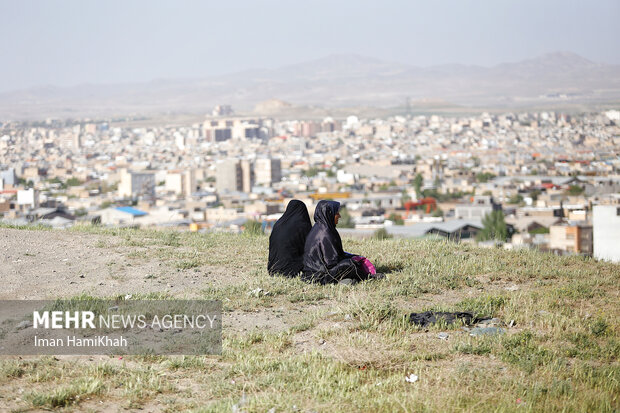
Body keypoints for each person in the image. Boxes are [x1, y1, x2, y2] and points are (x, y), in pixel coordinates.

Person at [302, 200, 383, 284]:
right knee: (349, 265)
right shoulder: (325, 233)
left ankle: (347, 280)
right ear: (329, 214)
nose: (339, 216)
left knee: (351, 260)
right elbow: (331, 262)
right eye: (337, 213)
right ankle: (368, 278)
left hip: (313, 273)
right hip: (319, 277)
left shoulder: (320, 227)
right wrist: (350, 261)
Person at [268, 200, 312, 277]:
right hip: (290, 270)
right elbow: (310, 247)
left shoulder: (279, 223)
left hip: (273, 268)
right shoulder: (302, 225)